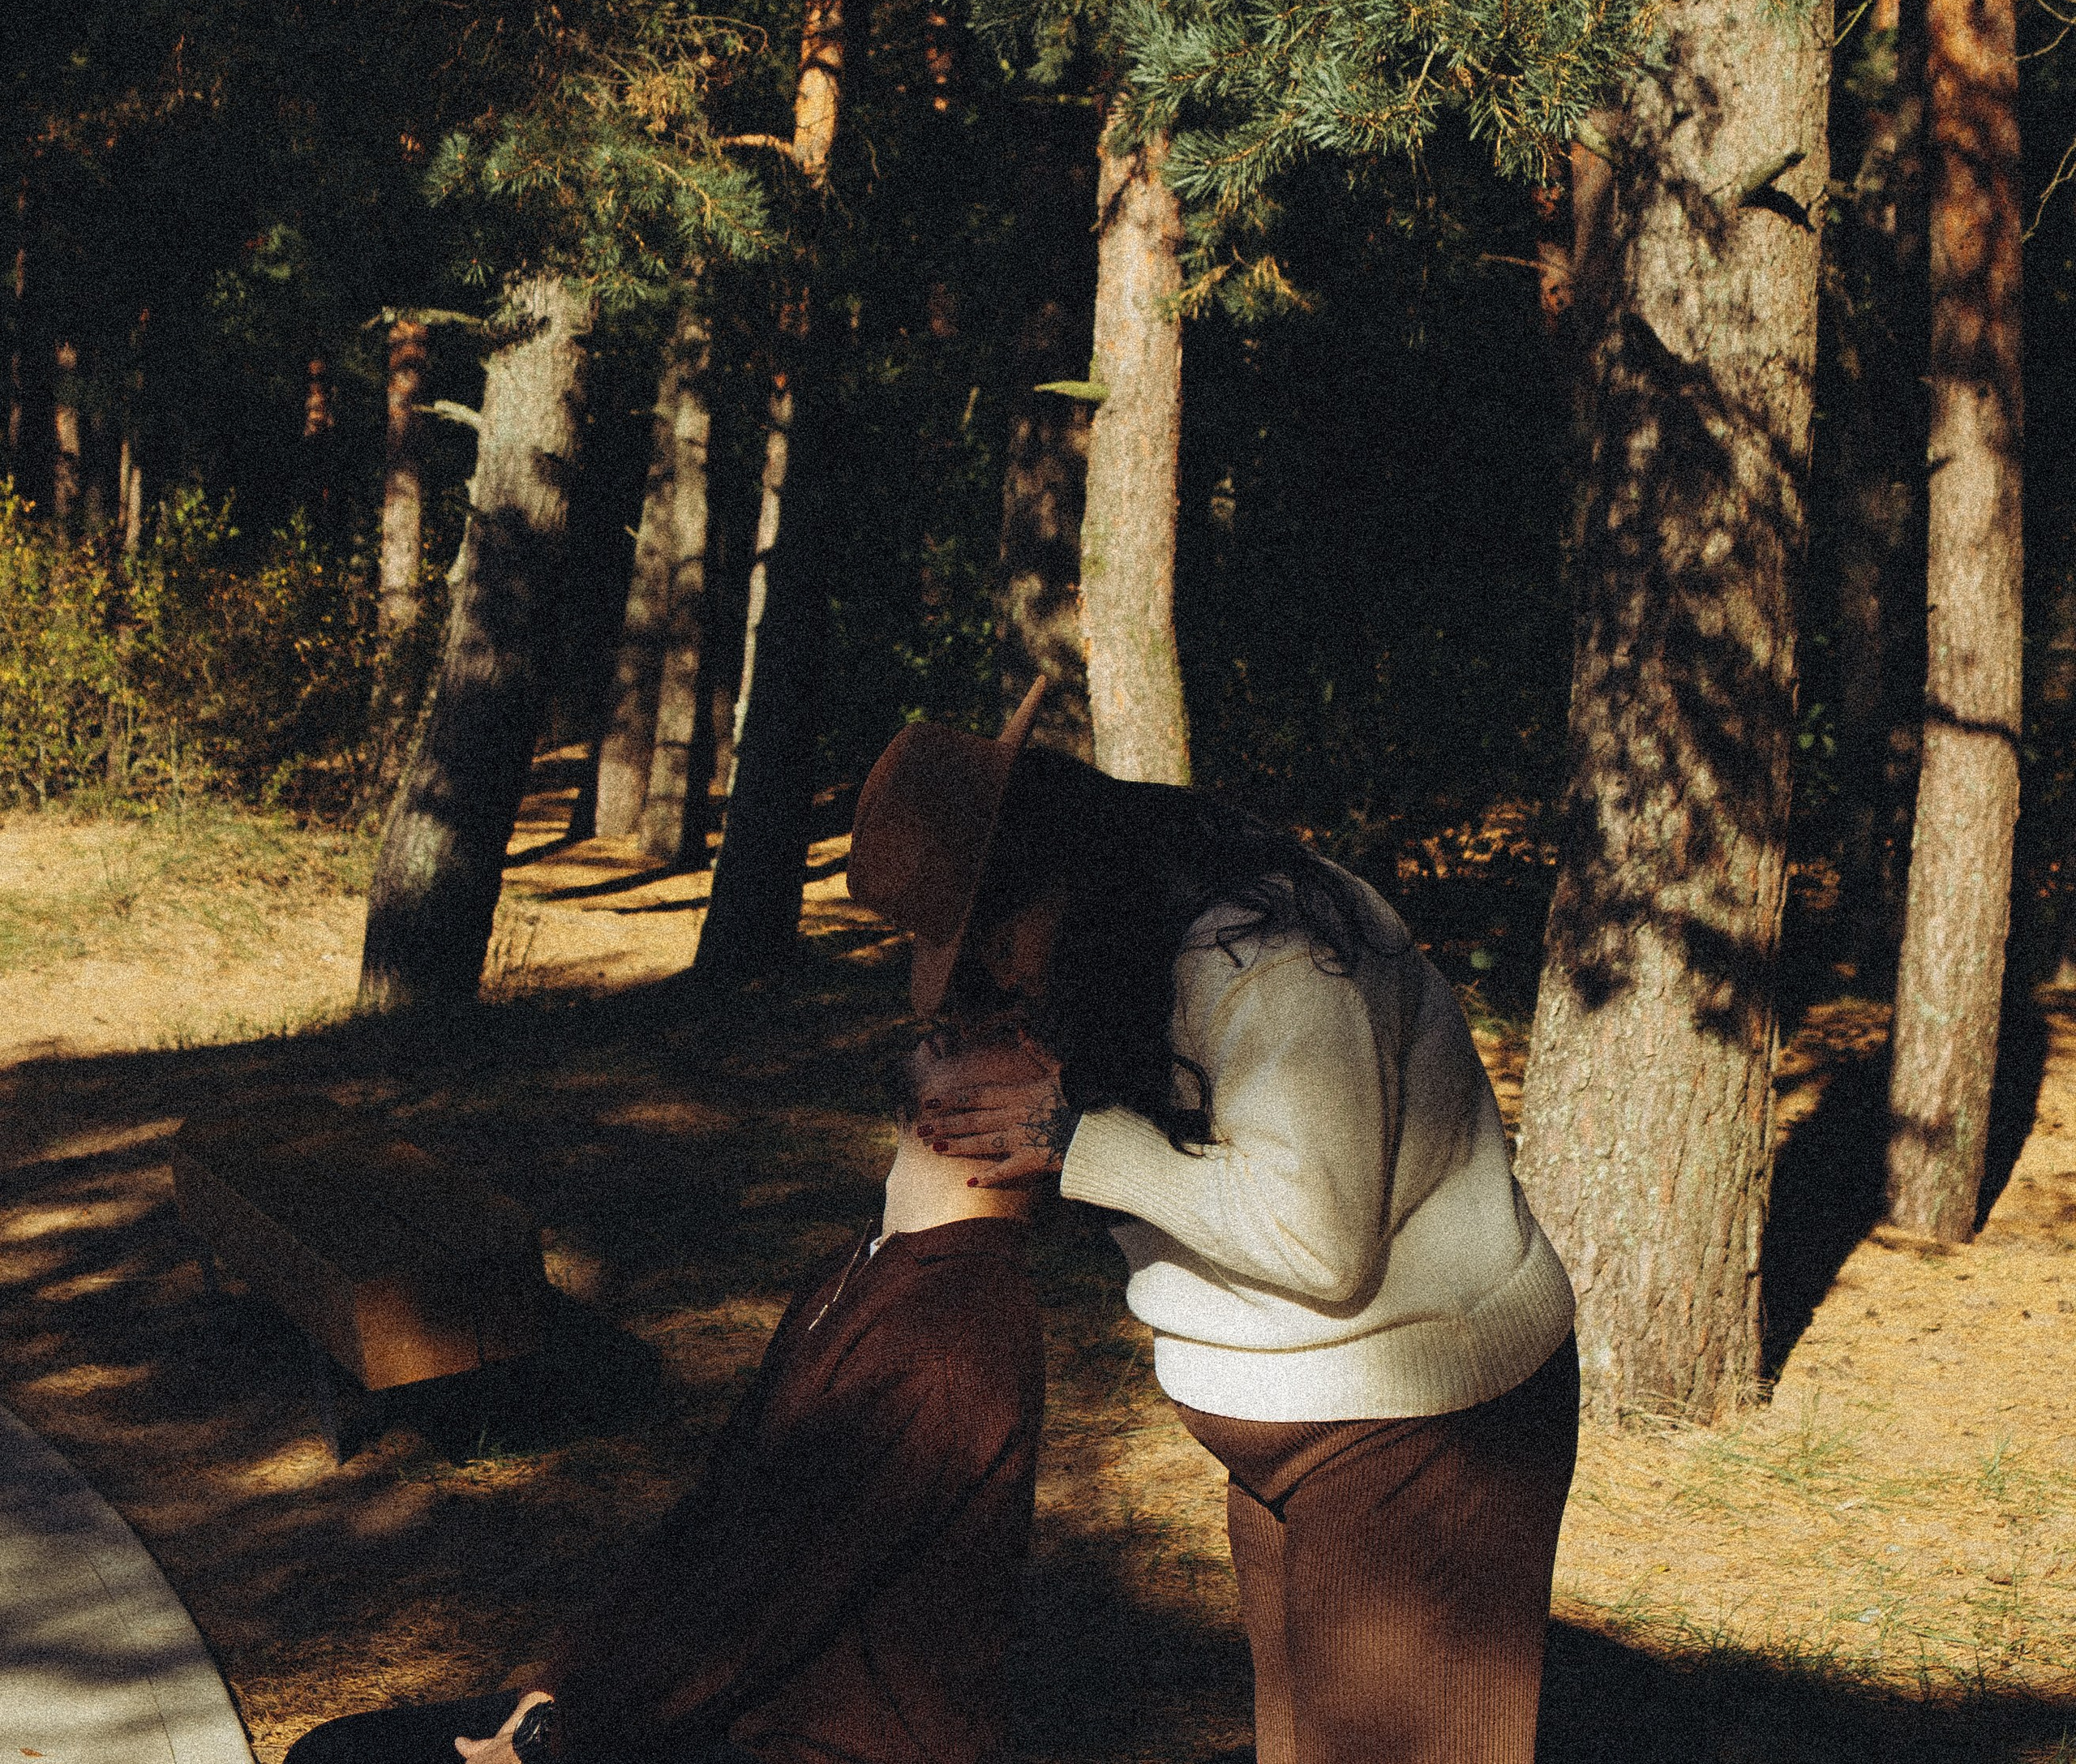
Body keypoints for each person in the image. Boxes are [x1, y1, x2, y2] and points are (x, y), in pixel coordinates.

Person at [847, 695, 1578, 1764]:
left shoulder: (1274, 959)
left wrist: (1079, 1142)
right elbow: (1196, 1169)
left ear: (1066, 877)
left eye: (997, 939)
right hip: (1296, 1430)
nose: (997, 976)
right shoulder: (1131, 953)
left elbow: (1317, 1243)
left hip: (1422, 1427)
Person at [283, 1028, 1047, 1764]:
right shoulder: (867, 1267)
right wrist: (559, 1684)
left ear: (1040, 1120)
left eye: (1018, 1035)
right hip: (725, 1705)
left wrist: (558, 1739)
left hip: (805, 1743)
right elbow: (713, 1531)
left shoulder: (953, 1331)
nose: (960, 1024)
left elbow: (768, 1596)